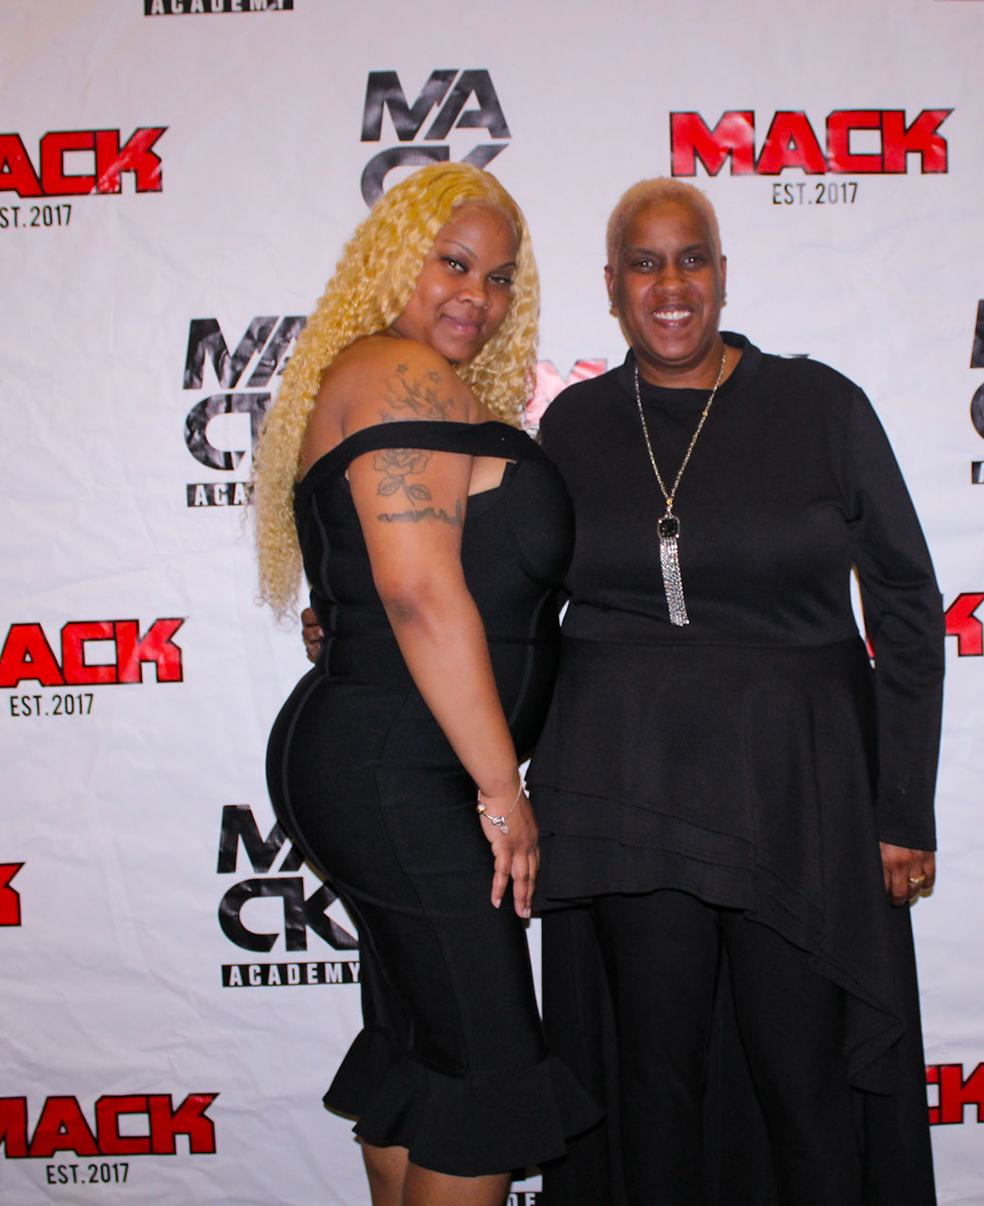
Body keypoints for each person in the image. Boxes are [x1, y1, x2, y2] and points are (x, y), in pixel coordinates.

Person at [531, 178, 945, 1206]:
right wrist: (357, 620)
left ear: (722, 273)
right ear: (612, 286)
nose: (670, 285)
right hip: (629, 796)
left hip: (793, 798)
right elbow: (512, 605)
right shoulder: (574, 425)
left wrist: (902, 807)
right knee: (655, 1084)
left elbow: (906, 603)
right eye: (644, 263)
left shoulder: (820, 405)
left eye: (692, 259)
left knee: (804, 1084)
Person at [252, 163, 597, 1206]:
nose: (476, 296)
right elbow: (419, 596)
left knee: (429, 1052)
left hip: (382, 758)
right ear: (397, 259)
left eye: (498, 278)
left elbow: (387, 579)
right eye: (452, 263)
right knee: (489, 1072)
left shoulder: (389, 377)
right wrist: (503, 791)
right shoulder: (399, 371)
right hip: (402, 770)